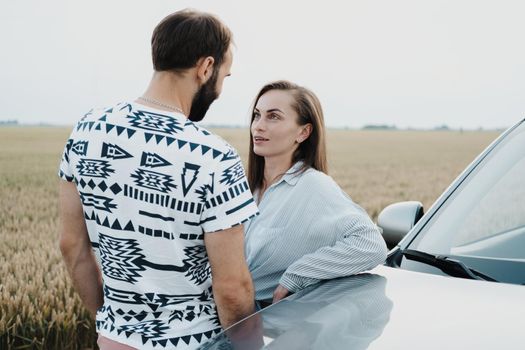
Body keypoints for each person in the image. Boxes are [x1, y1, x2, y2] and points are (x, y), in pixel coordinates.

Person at [58, 10, 259, 350]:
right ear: (205, 68)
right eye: (225, 76)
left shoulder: (86, 131)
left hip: (113, 340)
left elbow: (71, 246)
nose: (221, 87)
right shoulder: (214, 156)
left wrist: (112, 325)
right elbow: (232, 289)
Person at [244, 80, 388, 307]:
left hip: (256, 327)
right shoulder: (243, 187)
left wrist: (298, 276)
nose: (258, 126)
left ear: (303, 132)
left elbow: (371, 245)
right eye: (256, 115)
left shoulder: (313, 186)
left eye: (273, 116)